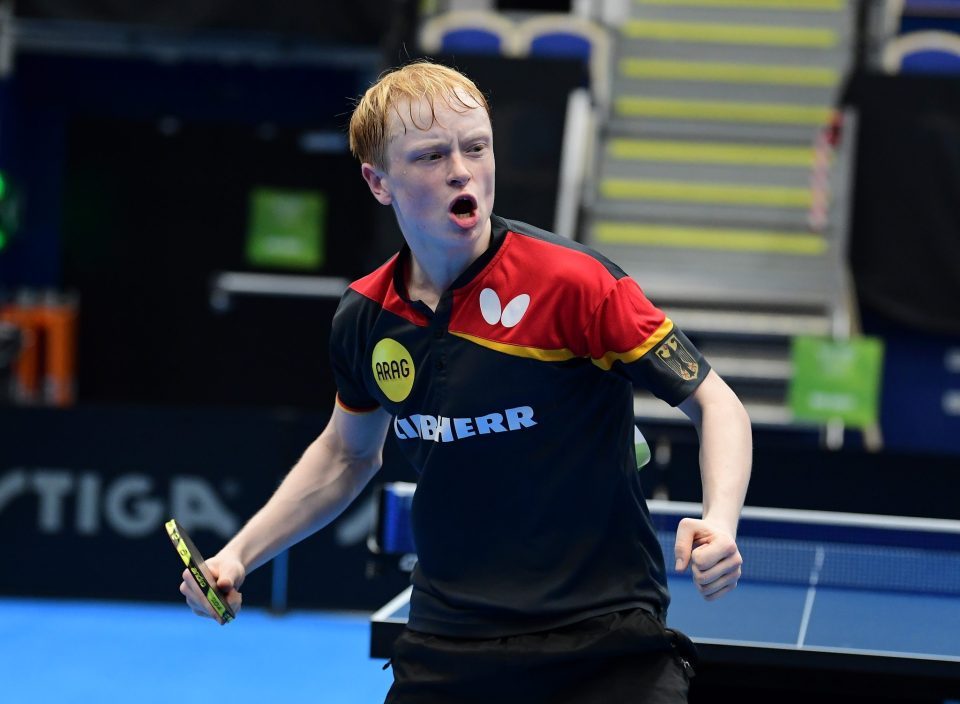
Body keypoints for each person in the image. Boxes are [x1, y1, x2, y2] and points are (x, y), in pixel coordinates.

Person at [179, 60, 752, 703]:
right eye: (429, 155)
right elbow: (346, 454)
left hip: (605, 643)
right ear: (378, 182)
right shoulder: (365, 318)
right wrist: (238, 556)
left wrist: (721, 521)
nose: (461, 169)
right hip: (449, 644)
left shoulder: (576, 283)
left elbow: (716, 402)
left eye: (476, 146)